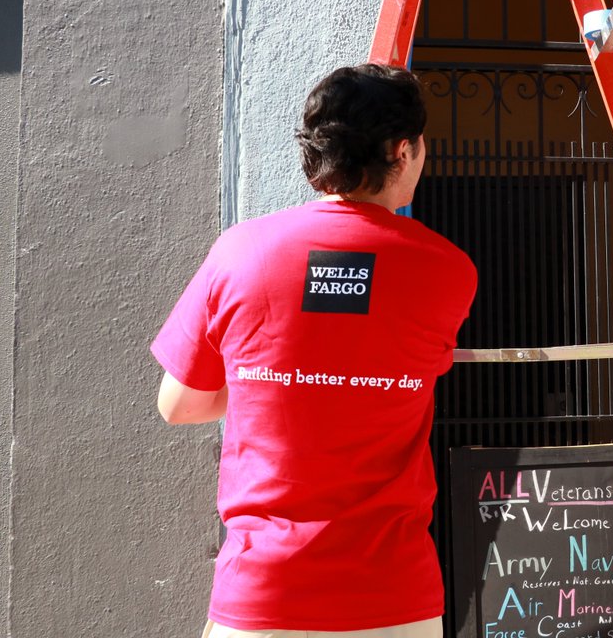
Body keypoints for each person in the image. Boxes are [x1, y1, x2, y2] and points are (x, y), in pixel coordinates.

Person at [153, 64, 477, 637]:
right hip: (393, 595)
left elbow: (179, 404)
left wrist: (268, 377)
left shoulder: (239, 253)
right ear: (402, 150)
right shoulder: (449, 272)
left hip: (263, 594)